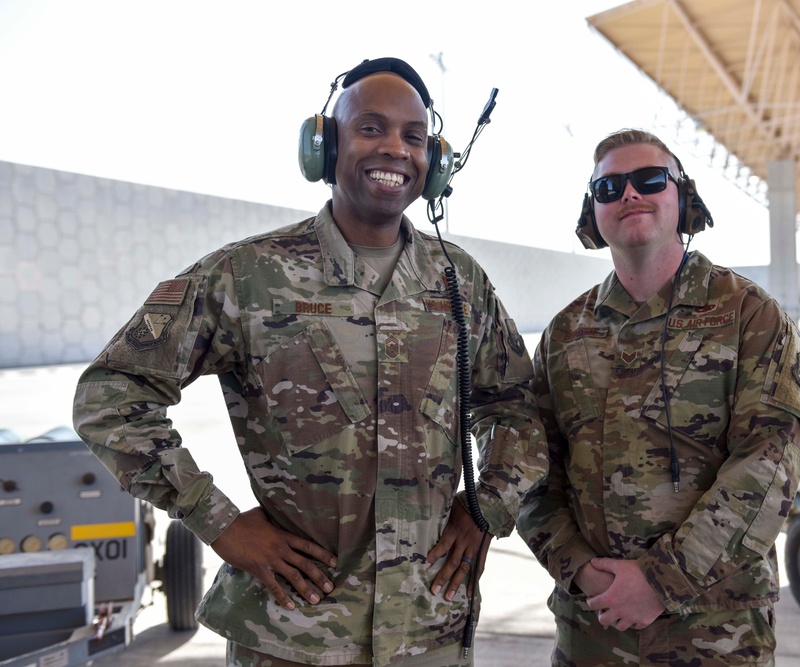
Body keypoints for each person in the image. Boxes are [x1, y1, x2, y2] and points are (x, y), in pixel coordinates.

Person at [72, 56, 546, 667]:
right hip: (293, 635)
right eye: (370, 128)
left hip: (428, 630)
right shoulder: (246, 275)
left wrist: (488, 507)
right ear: (324, 146)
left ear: (435, 162)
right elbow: (111, 396)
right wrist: (215, 519)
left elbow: (516, 408)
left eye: (414, 136)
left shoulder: (460, 281)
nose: (395, 148)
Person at [516, 128, 800, 666]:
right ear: (594, 211)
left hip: (714, 638)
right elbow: (534, 472)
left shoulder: (749, 315)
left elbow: (769, 468)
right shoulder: (565, 335)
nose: (629, 194)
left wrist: (660, 581)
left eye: (649, 180)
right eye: (608, 188)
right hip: (592, 633)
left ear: (683, 198)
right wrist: (580, 570)